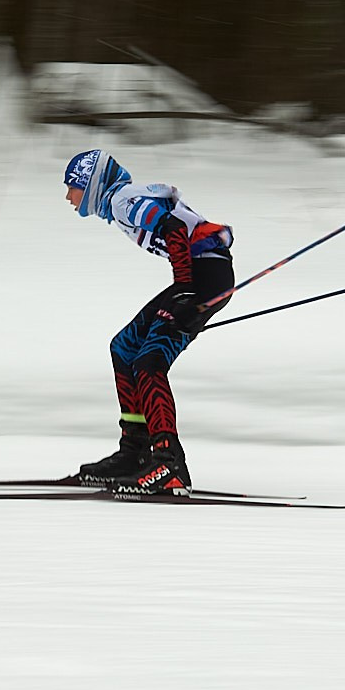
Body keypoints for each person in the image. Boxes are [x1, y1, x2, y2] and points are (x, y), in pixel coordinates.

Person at [61, 148, 235, 495]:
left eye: (72, 186)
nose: (68, 196)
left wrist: (184, 291)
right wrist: (184, 287)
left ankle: (169, 463)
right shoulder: (122, 199)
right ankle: (135, 452)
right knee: (124, 349)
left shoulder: (122, 200)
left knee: (149, 361)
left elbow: (172, 227)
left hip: (204, 277)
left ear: (90, 183)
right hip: (201, 275)